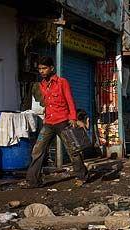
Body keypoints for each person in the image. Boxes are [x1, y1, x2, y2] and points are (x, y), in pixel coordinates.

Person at [25, 56, 88, 188]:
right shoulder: (41, 85)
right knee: (38, 150)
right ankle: (33, 181)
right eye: (40, 69)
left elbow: (70, 100)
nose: (41, 71)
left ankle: (82, 176)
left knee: (73, 150)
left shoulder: (62, 82)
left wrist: (73, 118)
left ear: (51, 68)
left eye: (44, 68)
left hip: (63, 121)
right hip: (48, 122)